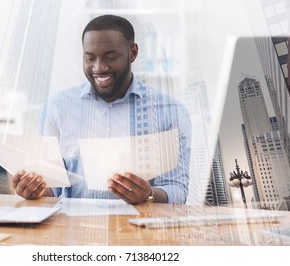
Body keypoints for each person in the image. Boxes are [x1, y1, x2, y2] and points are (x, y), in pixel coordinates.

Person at [12, 15, 191, 205]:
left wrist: (149, 195)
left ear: (133, 52)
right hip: (74, 229)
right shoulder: (57, 107)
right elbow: (53, 189)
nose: (99, 68)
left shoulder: (170, 112)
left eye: (110, 57)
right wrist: (33, 190)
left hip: (140, 230)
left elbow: (177, 190)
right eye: (90, 58)